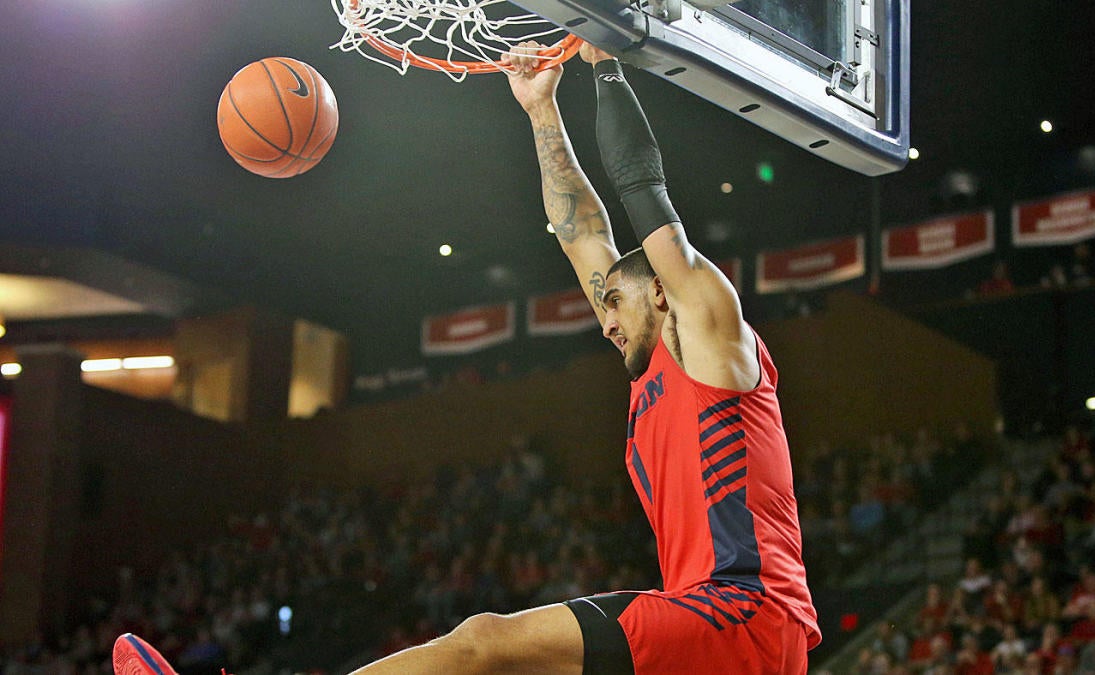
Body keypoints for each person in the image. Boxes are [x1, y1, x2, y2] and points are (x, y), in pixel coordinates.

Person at [113, 41, 820, 675]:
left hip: (747, 612)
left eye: (615, 303)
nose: (602, 318)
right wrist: (542, 110)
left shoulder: (713, 332)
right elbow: (582, 231)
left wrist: (606, 64)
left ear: (662, 295)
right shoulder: (651, 360)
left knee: (485, 642)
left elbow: (643, 192)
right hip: (711, 625)